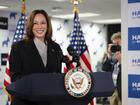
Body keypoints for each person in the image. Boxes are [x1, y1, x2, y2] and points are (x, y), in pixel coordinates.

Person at [9, 9, 63, 105]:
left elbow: (58, 75)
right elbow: (15, 77)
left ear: (47, 25)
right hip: (25, 101)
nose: (40, 26)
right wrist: (38, 82)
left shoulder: (55, 47)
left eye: (43, 23)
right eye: (35, 23)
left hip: (49, 101)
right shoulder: (18, 47)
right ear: (30, 26)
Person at [102, 32, 121, 105]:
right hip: (113, 89)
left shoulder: (128, 53)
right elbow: (105, 68)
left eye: (118, 43)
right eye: (114, 44)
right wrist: (109, 55)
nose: (116, 46)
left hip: (123, 88)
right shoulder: (113, 55)